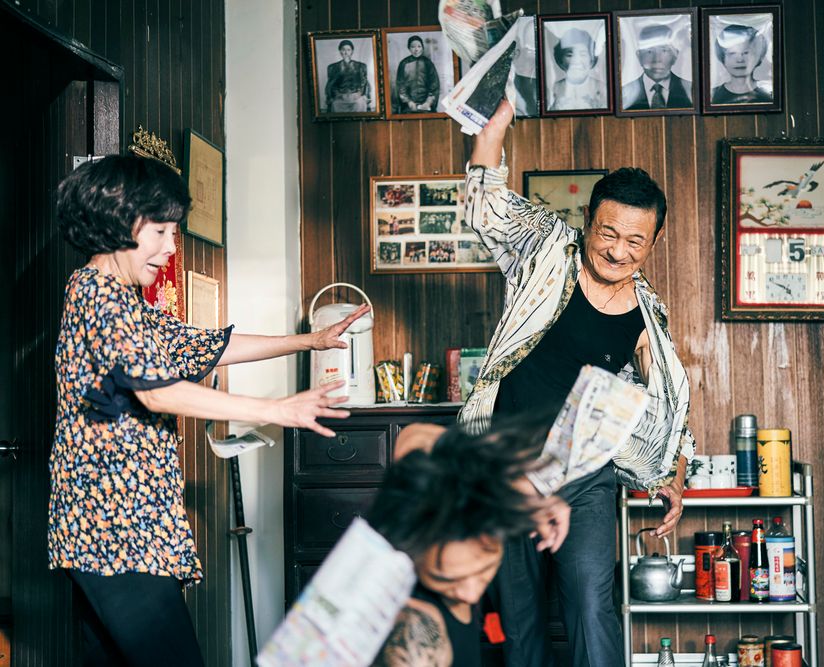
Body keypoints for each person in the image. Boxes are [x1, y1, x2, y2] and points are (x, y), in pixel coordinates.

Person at [49, 154, 369, 666]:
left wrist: (310, 340)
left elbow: (204, 346)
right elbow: (157, 391)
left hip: (118, 528)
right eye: (160, 232)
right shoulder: (99, 296)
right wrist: (278, 408)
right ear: (118, 221)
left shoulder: (122, 300)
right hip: (114, 529)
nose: (169, 248)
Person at [461, 101, 696, 667]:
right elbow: (486, 207)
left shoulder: (647, 314)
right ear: (588, 219)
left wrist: (675, 473)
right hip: (508, 465)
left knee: (591, 603)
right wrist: (492, 130)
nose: (617, 250)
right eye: (607, 232)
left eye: (635, 241)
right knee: (518, 618)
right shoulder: (546, 249)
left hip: (583, 473)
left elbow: (669, 403)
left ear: (655, 240)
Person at [369, 419, 570, 667]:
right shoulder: (414, 628)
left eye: (484, 569)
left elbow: (413, 435)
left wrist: (517, 493)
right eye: (448, 579)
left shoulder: (441, 494)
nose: (472, 593)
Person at [621, 23, 692, 111]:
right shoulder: (624, 93)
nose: (657, 59)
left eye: (664, 50)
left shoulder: (691, 91)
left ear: (675, 55)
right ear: (639, 56)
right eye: (649, 51)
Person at [710, 23, 773, 105]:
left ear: (759, 57)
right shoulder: (712, 96)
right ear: (722, 58)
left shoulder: (769, 94)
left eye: (746, 53)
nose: (740, 60)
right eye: (732, 53)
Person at [548, 27, 606, 112]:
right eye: (570, 55)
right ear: (560, 60)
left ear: (592, 59)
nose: (576, 61)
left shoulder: (602, 88)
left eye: (583, 54)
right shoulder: (553, 88)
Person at [395, 35, 440, 113]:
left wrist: (428, 102)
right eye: (413, 47)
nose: (416, 49)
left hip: (427, 106)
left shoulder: (428, 63)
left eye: (419, 46)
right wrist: (408, 102)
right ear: (409, 48)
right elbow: (400, 86)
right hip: (409, 107)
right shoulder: (404, 63)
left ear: (422, 48)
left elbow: (434, 84)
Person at [325, 39, 371, 113]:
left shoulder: (360, 66)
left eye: (348, 50)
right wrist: (337, 95)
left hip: (356, 96)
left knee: (360, 104)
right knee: (335, 104)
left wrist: (360, 94)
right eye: (343, 50)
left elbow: (365, 83)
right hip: (340, 97)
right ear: (340, 51)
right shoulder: (333, 67)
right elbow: (331, 85)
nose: (346, 52)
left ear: (352, 51)